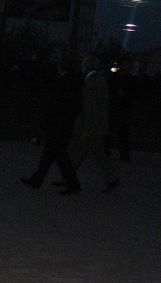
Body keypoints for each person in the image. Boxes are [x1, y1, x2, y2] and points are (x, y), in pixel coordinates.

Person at [20, 53, 83, 195]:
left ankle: (72, 184)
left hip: (58, 125)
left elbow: (55, 105)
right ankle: (37, 180)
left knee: (59, 156)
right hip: (62, 124)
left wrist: (45, 122)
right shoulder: (71, 80)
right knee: (50, 154)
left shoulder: (64, 81)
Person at [66, 55, 120, 193]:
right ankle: (111, 179)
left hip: (92, 124)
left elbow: (91, 106)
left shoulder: (92, 80)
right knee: (91, 152)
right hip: (95, 124)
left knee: (83, 151)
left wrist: (86, 127)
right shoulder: (97, 78)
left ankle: (68, 177)